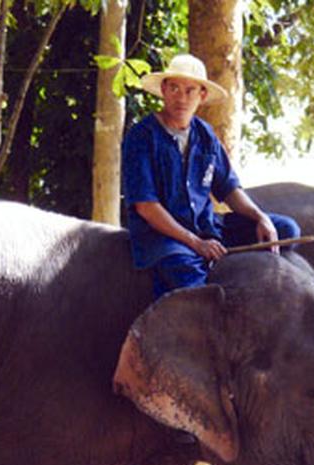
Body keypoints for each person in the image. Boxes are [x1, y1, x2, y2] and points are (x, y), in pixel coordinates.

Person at [122, 53, 300, 298]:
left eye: (190, 90)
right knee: (194, 284)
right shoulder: (141, 136)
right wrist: (195, 243)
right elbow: (146, 206)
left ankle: (227, 270)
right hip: (164, 239)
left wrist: (260, 218)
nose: (181, 98)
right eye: (174, 88)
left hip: (208, 227)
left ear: (202, 95)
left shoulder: (205, 135)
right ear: (163, 89)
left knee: (286, 229)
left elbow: (228, 187)